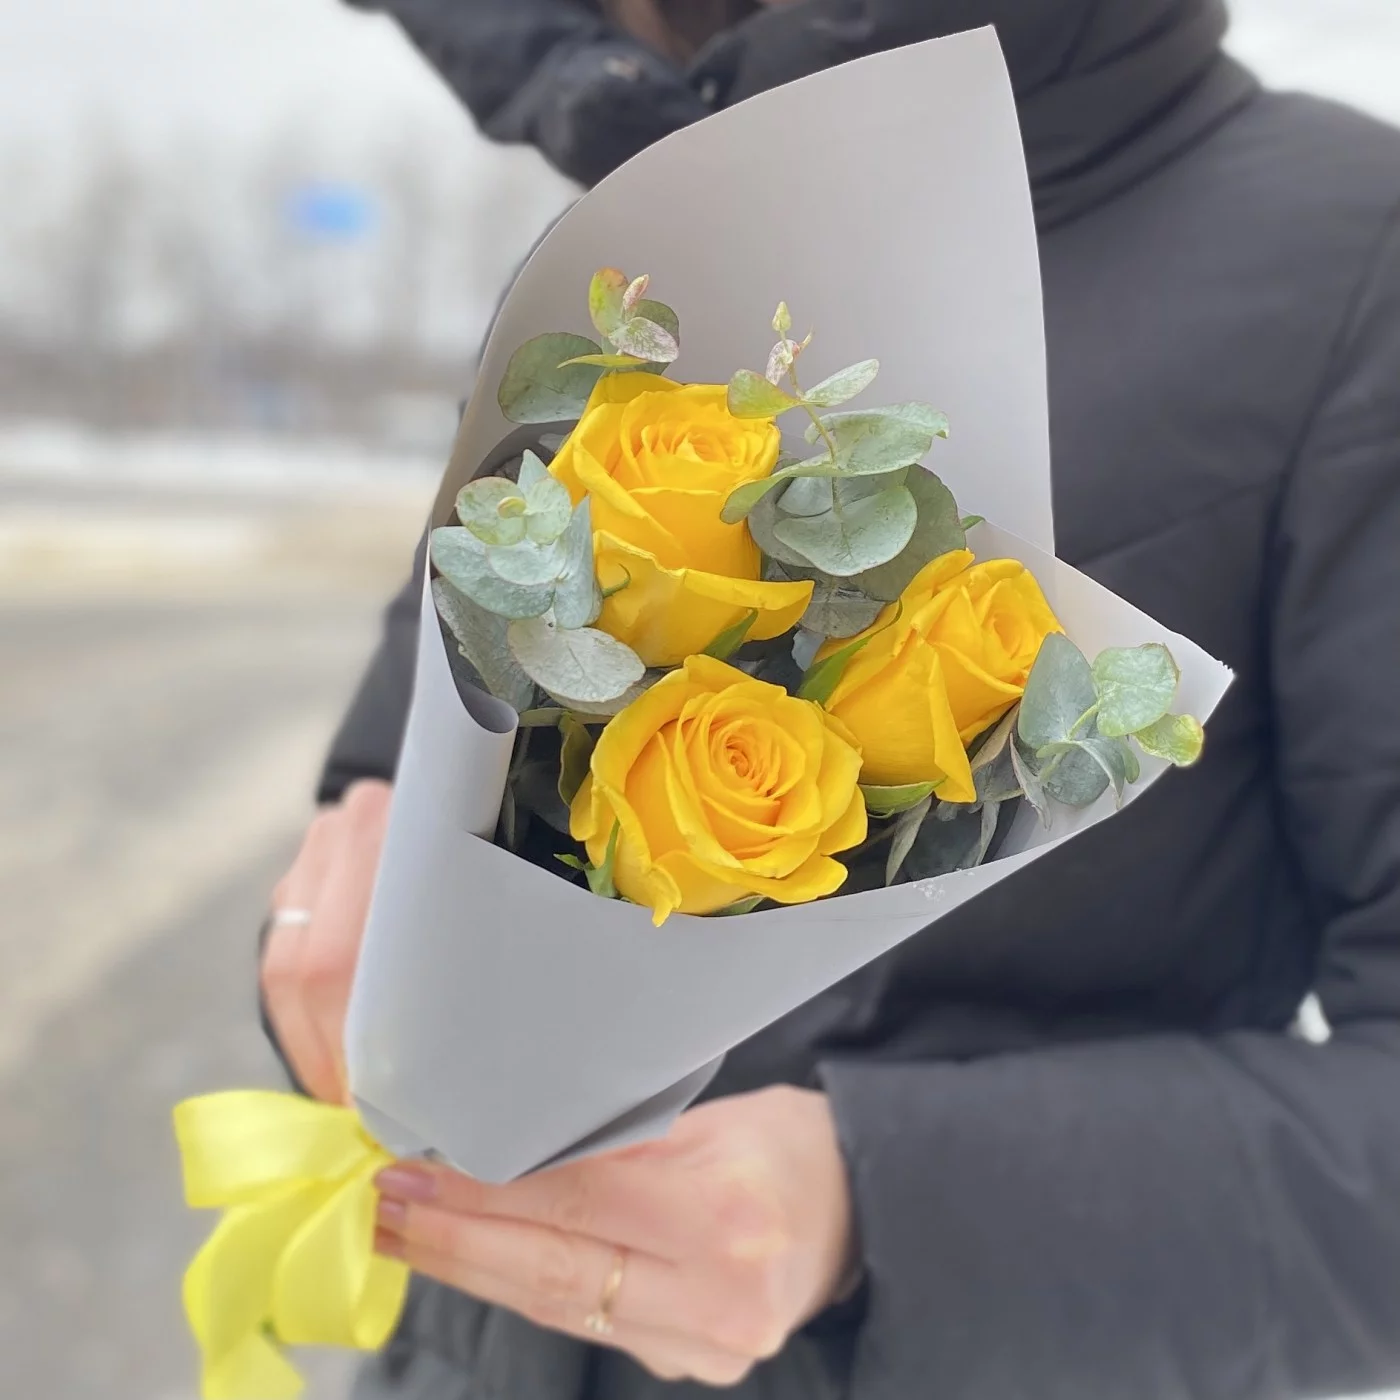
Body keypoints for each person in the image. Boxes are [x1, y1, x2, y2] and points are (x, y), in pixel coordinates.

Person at [259, 2, 1400, 1396]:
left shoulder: (1354, 259)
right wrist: (348, 880)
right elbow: (431, 739)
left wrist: (879, 1204)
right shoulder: (647, 220)